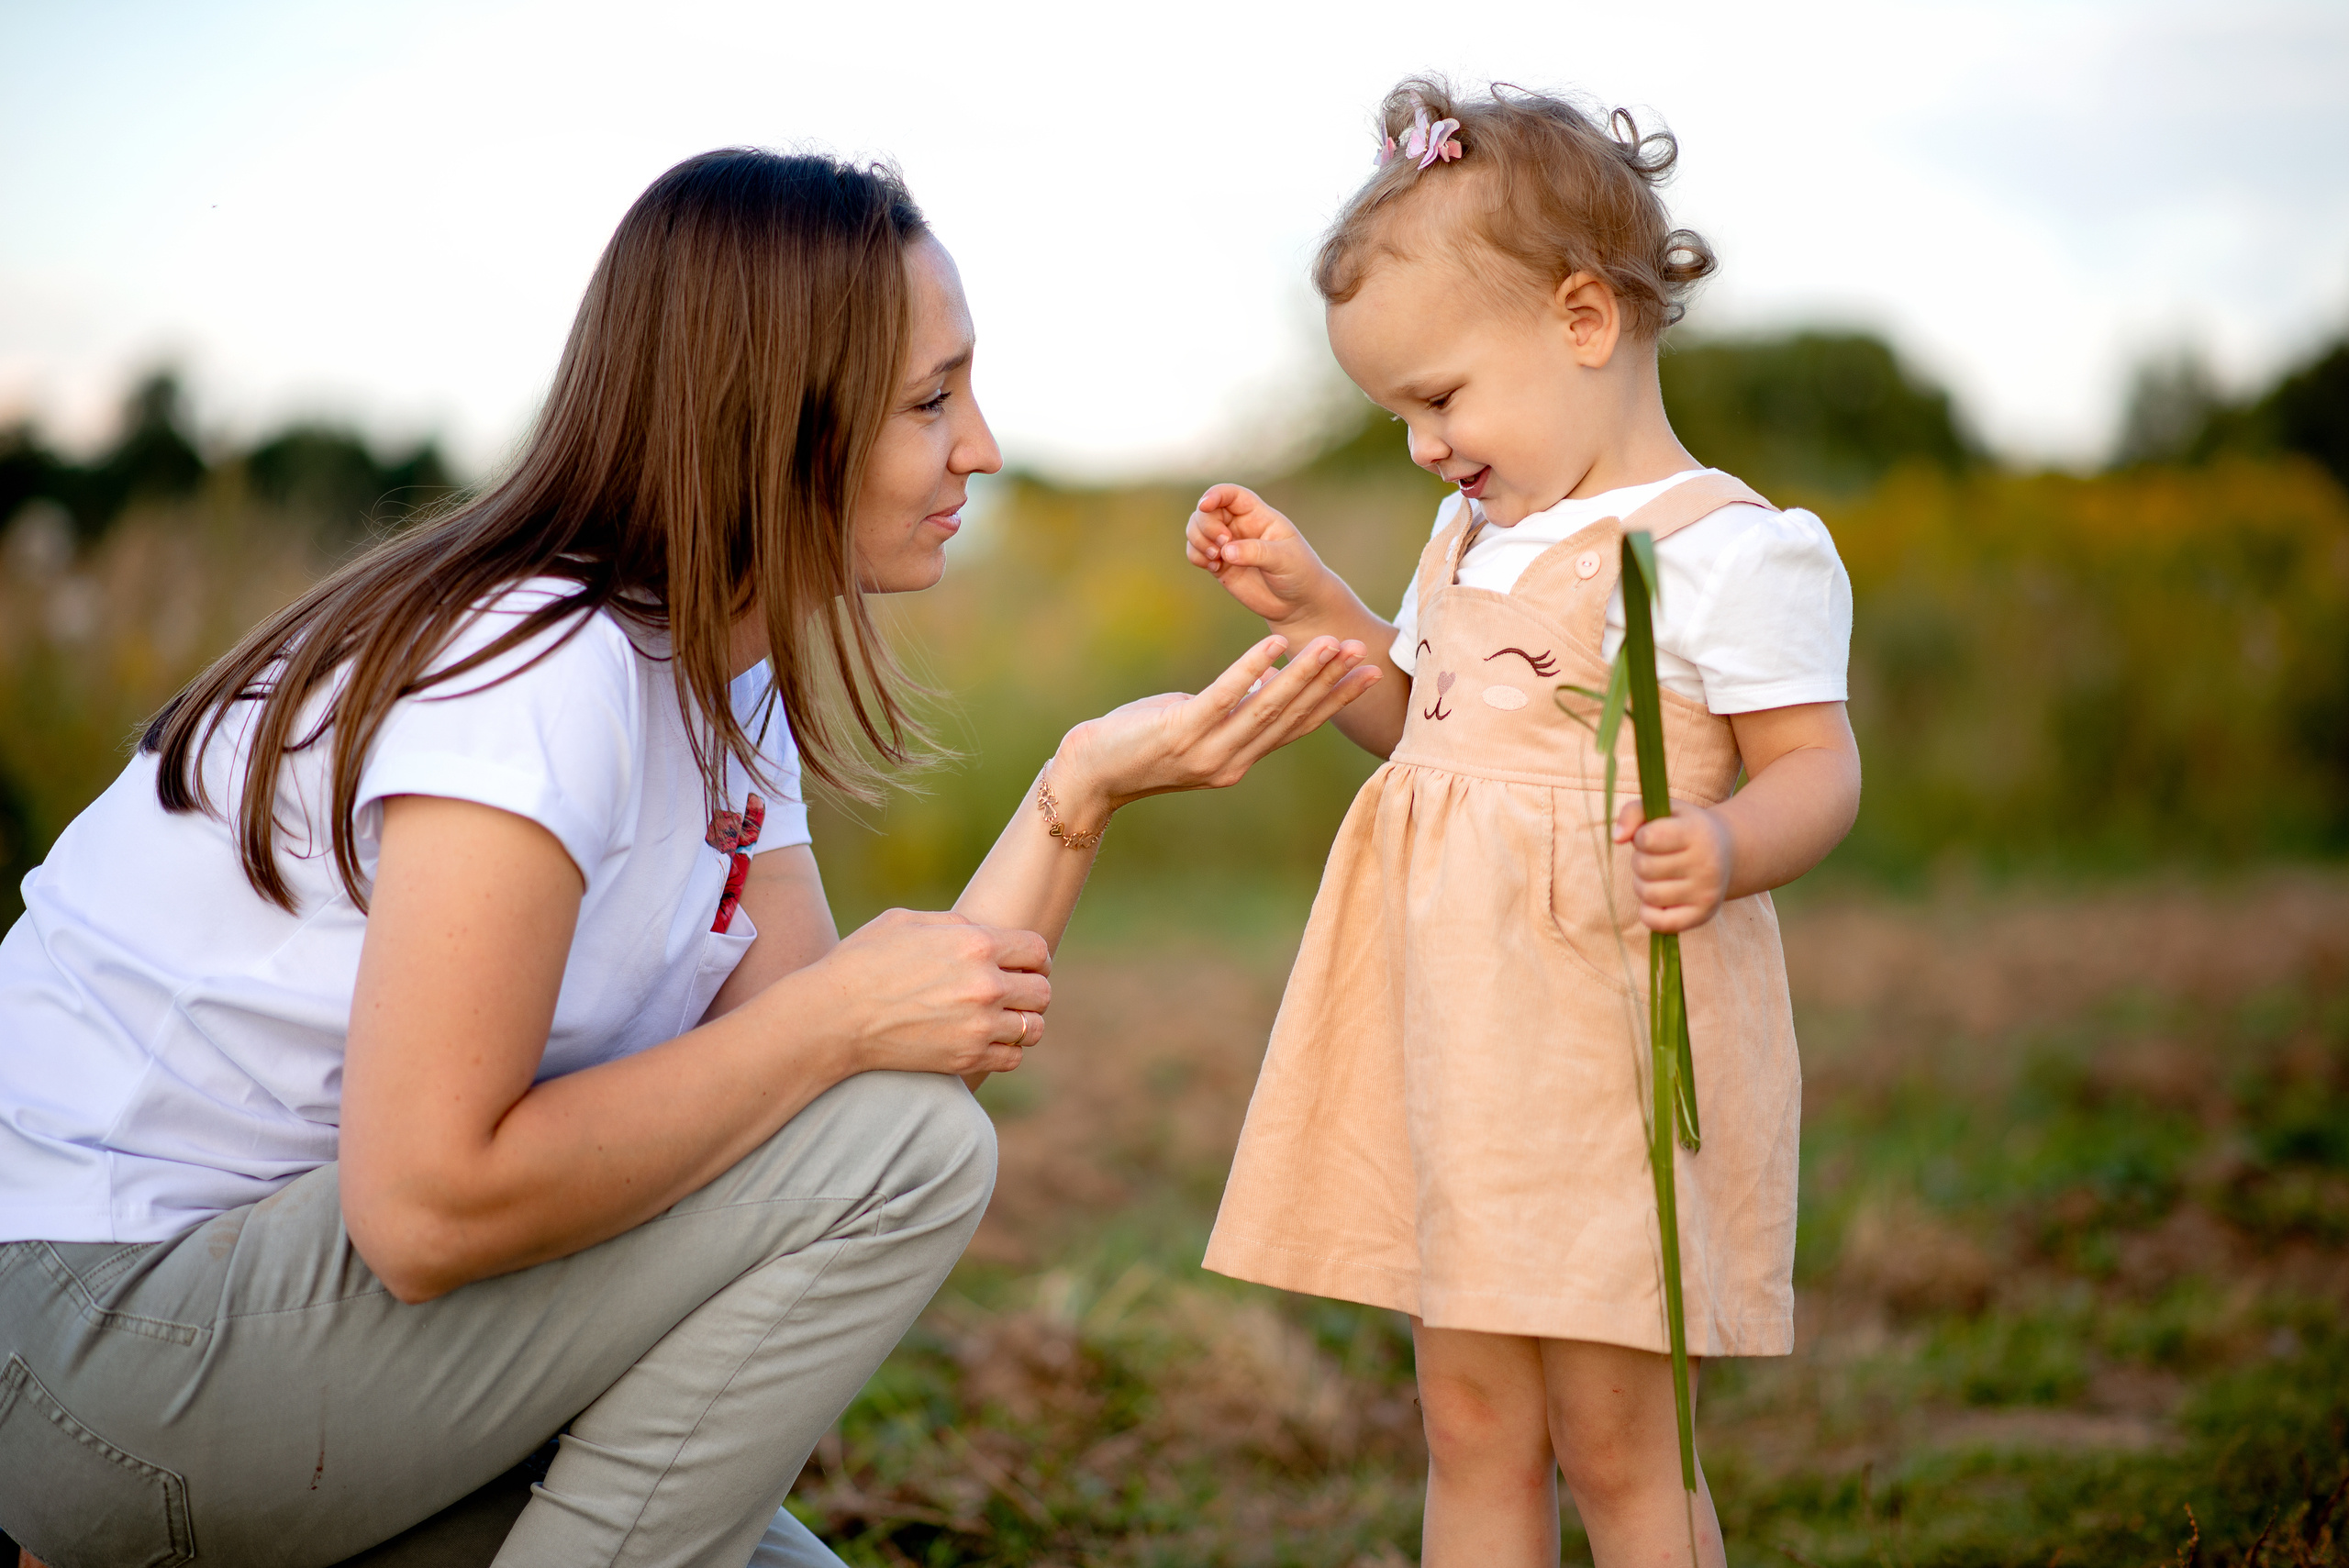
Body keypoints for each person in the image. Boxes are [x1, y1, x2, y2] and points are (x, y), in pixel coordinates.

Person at [0, 149, 1376, 1568]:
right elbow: (426, 1206)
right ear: (773, 423)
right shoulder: (538, 667)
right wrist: (837, 1023)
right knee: (909, 1148)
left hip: (310, 1344)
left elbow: (843, 1104)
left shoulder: (724, 675)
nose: (982, 445)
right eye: (929, 400)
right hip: (106, 1345)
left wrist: (1074, 795)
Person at [1183, 81, 1861, 1567]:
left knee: (1622, 1442)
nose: (1425, 446)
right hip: (1459, 1050)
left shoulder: (1729, 554)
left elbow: (1819, 765)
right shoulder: (1467, 537)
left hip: (1605, 1049)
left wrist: (1734, 844)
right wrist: (1318, 607)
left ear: (1582, 320)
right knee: (1471, 1419)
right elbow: (1421, 723)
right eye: (1397, 414)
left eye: (1438, 399)